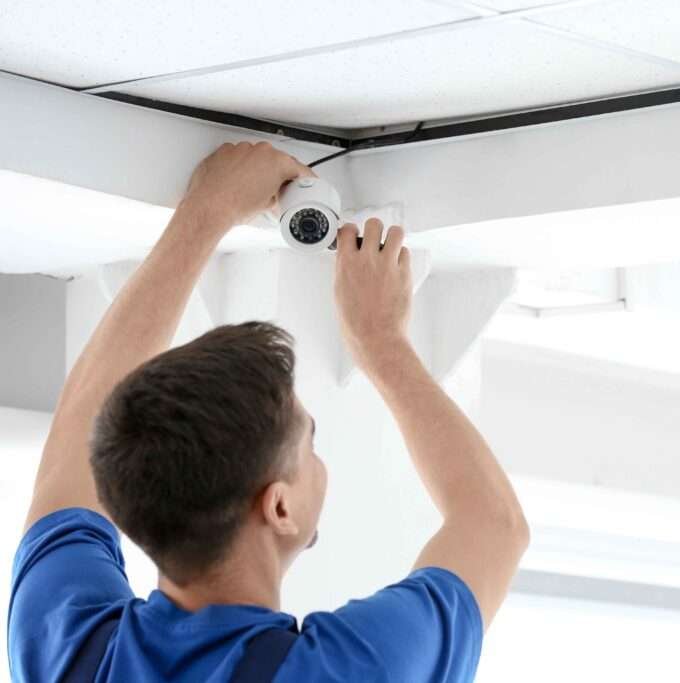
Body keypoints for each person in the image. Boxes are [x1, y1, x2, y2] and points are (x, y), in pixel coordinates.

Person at [7, 142, 530, 681]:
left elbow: (72, 451)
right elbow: (493, 525)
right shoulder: (338, 669)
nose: (319, 464)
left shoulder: (69, 647)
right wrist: (378, 338)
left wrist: (205, 213)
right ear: (277, 507)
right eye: (310, 444)